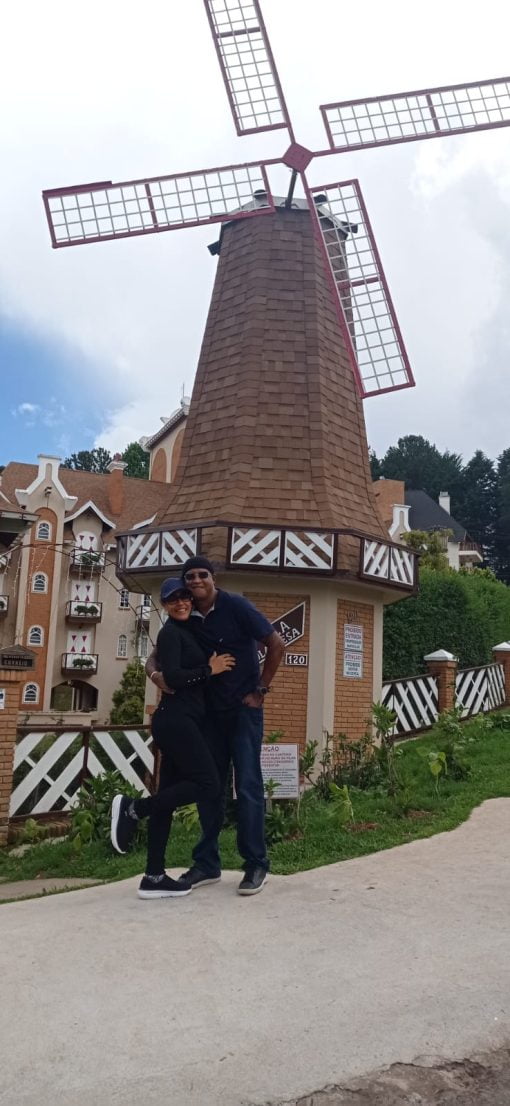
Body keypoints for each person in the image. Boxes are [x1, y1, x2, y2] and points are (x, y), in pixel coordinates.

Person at [146, 556, 285, 896]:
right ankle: (207, 863)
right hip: (209, 714)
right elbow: (157, 653)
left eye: (201, 575)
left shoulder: (235, 606)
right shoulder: (190, 617)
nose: (195, 581)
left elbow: (276, 643)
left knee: (248, 785)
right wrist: (155, 675)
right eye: (189, 577)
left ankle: (255, 863)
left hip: (242, 709)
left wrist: (261, 690)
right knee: (210, 787)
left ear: (213, 578)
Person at [110, 577, 235, 899]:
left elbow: (158, 663)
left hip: (183, 721)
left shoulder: (189, 631)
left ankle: (153, 876)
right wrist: (211, 670)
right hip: (176, 720)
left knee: (168, 797)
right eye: (173, 600)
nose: (181, 603)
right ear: (164, 605)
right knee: (209, 784)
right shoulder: (170, 633)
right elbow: (174, 677)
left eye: (185, 598)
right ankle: (134, 809)